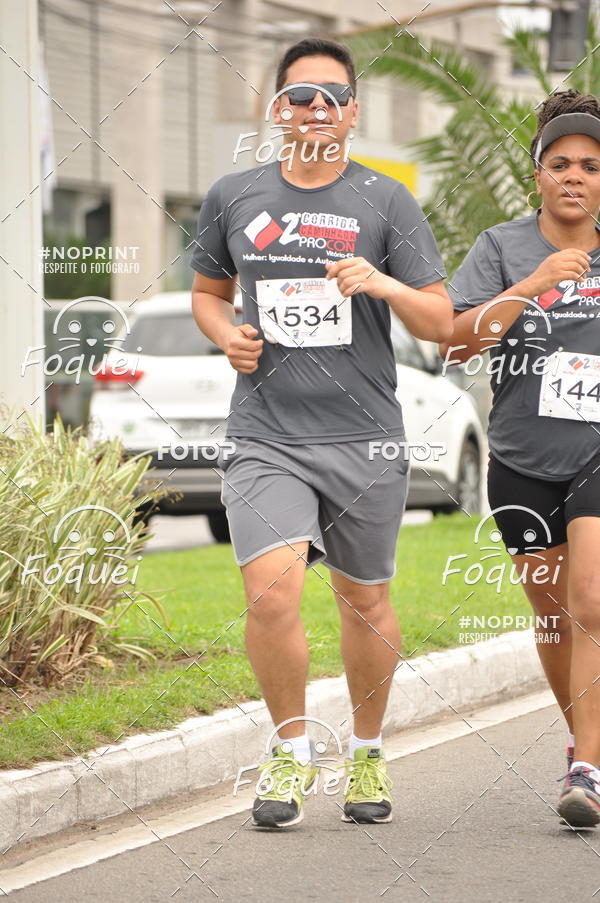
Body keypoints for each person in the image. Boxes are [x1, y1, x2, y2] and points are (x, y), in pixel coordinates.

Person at [190, 37, 452, 828]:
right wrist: (222, 333)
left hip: (364, 435)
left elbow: (441, 320)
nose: (315, 109)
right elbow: (208, 293)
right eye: (300, 95)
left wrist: (382, 280)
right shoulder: (235, 194)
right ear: (277, 109)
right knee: (270, 592)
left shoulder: (386, 201)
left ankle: (367, 754)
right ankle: (290, 751)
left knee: (364, 600)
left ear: (353, 113)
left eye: (332, 96)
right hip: (265, 431)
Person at [441, 89, 600, 829]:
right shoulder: (501, 247)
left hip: (596, 452)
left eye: (592, 166)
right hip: (521, 459)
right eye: (560, 162)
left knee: (591, 601)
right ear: (537, 172)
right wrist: (530, 288)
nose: (575, 176)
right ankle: (584, 741)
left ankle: (587, 770)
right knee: (552, 621)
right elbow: (456, 340)